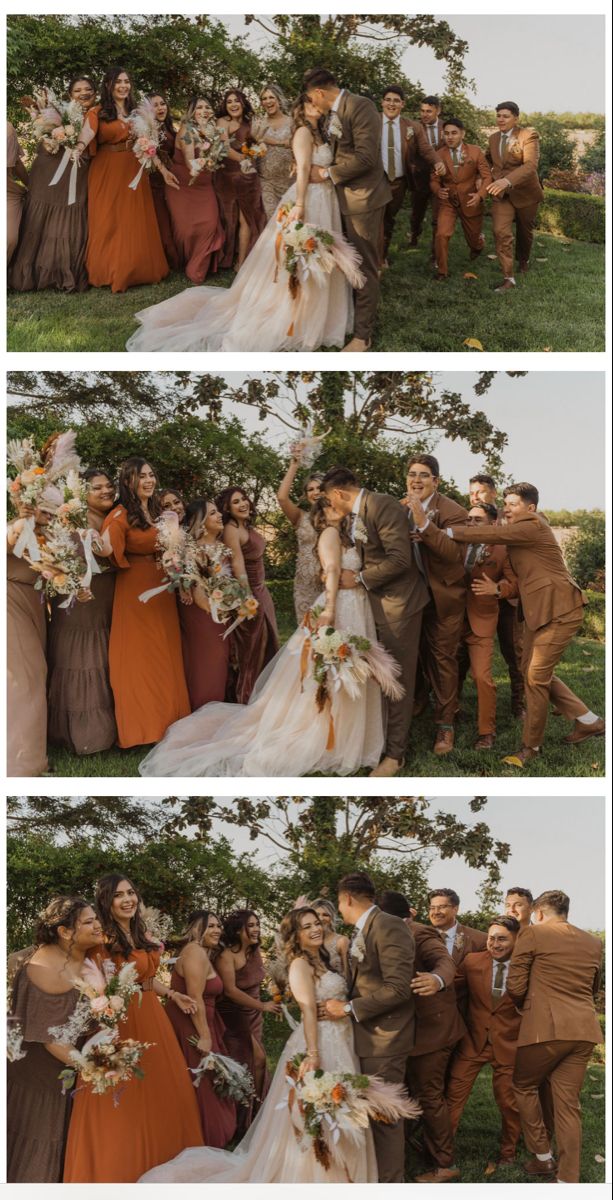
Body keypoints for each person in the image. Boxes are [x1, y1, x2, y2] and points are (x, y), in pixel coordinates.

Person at [138, 494, 386, 776]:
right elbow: (326, 571)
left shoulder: (353, 535)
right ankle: (327, 731)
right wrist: (238, 595)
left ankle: (350, 731)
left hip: (354, 606)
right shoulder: (329, 535)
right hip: (326, 604)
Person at [140, 906, 379, 1182]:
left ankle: (345, 1166)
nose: (315, 929)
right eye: (306, 926)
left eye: (317, 923)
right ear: (295, 935)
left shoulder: (325, 958)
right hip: (310, 1039)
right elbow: (308, 1011)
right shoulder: (299, 965)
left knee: (338, 1102)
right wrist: (312, 1053)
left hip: (340, 1039)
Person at [126, 94, 359, 352]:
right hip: (307, 198)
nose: (318, 108)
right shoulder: (303, 132)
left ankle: (323, 314)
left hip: (325, 199)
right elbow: (303, 170)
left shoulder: (324, 134)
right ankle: (294, 311)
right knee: (294, 252)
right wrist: (301, 204)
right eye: (311, 104)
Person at [446, 482, 606, 765]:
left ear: (530, 508)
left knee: (535, 678)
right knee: (531, 671)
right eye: (505, 504)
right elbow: (519, 583)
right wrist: (498, 590)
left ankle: (530, 748)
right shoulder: (517, 539)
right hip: (538, 612)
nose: (507, 509)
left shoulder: (533, 524)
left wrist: (446, 531)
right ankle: (589, 720)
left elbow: (491, 532)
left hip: (561, 610)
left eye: (513, 504)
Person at [63, 873, 203, 1182]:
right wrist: (106, 1027)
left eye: (131, 893)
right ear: (106, 902)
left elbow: (144, 978)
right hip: (122, 1021)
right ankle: (121, 1167)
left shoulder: (141, 933)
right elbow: (96, 986)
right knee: (124, 1096)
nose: (128, 899)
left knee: (163, 1093)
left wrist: (173, 993)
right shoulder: (104, 941)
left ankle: (164, 1164)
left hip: (154, 1016)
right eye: (119, 895)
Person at [322, 466, 429, 776]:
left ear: (339, 494)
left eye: (331, 500)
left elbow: (399, 559)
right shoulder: (361, 512)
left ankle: (396, 755)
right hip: (375, 603)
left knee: (396, 678)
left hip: (400, 605)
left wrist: (359, 578)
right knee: (385, 674)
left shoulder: (381, 505)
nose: (331, 506)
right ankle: (382, 737)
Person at [323, 873, 416, 1182]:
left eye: (339, 902)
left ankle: (391, 1182)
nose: (340, 908)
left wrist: (348, 1008)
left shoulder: (388, 925)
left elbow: (399, 989)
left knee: (385, 1116)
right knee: (371, 1113)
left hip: (385, 1039)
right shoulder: (365, 929)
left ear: (347, 899)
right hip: (365, 1036)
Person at [508, 890, 603, 1183]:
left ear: (537, 913)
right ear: (566, 912)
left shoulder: (534, 934)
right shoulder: (593, 942)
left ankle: (543, 1158)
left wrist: (525, 1006)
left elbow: (515, 982)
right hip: (584, 1030)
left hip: (544, 1029)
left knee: (523, 1086)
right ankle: (568, 1179)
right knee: (568, 1105)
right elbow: (594, 987)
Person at [7, 896, 104, 1182]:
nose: (98, 925)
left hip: (55, 1071)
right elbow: (53, 1041)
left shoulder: (70, 955)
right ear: (64, 931)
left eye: (96, 918)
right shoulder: (47, 971)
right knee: (38, 1143)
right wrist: (97, 1069)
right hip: (42, 1079)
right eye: (89, 922)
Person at [100, 457, 190, 748]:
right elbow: (108, 550)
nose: (149, 480)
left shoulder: (158, 512)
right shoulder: (121, 514)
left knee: (166, 655)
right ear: (129, 481)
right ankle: (143, 730)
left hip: (163, 589)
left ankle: (170, 724)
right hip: (135, 590)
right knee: (140, 658)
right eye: (142, 476)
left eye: (151, 475)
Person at [377, 890, 462, 1184]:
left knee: (429, 1094)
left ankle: (444, 1165)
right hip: (400, 1032)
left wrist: (436, 979)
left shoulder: (420, 932)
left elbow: (444, 961)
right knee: (402, 1092)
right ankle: (398, 1153)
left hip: (432, 1031)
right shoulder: (376, 935)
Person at [304, 68, 391, 352]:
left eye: (311, 98)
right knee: (349, 260)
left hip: (363, 198)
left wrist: (327, 174)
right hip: (342, 197)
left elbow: (366, 158)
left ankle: (362, 337)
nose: (312, 104)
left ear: (318, 93)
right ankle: (350, 316)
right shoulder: (333, 113)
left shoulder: (361, 106)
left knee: (364, 264)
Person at [73, 66, 177, 292]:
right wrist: (79, 147)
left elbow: (147, 145)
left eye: (126, 81)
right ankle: (108, 271)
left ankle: (138, 269)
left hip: (132, 169)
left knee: (133, 219)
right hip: (105, 169)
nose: (123, 86)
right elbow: (88, 132)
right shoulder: (98, 112)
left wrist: (163, 169)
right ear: (108, 85)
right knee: (108, 219)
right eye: (118, 81)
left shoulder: (137, 113)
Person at [47, 468, 118, 755]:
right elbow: (58, 559)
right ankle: (82, 734)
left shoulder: (113, 517)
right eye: (97, 488)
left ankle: (107, 728)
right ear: (83, 494)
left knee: (101, 658)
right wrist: (74, 585)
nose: (105, 491)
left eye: (108, 486)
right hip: (80, 600)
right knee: (79, 660)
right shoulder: (72, 519)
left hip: (107, 597)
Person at [403, 454, 468, 756]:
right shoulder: (397, 507)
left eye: (424, 475)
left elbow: (453, 555)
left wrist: (423, 523)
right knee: (410, 653)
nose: (417, 480)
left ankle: (445, 726)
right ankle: (417, 699)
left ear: (436, 481)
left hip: (444, 598)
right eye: (412, 474)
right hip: (409, 598)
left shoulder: (454, 511)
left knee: (443, 661)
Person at [447, 916, 523, 1171]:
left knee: (509, 1102)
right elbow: (448, 990)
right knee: (453, 1098)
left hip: (509, 1044)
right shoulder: (471, 962)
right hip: (473, 1042)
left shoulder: (527, 967)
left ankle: (508, 1152)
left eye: (502, 938)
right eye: (491, 937)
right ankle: (441, 1152)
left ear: (516, 939)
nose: (494, 943)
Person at [10, 77, 97, 292]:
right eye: (78, 90)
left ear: (95, 93)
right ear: (70, 94)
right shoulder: (58, 111)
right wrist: (49, 138)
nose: (83, 93)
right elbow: (42, 131)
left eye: (88, 89)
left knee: (68, 216)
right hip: (49, 168)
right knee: (39, 216)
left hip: (78, 171)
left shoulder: (99, 115)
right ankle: (31, 272)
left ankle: (62, 270)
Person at [167, 910, 237, 1147]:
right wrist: (205, 1038)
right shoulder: (195, 952)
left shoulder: (200, 953)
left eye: (219, 926)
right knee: (204, 1082)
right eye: (211, 926)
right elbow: (194, 997)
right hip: (193, 1025)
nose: (217, 930)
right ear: (197, 928)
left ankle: (201, 1139)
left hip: (203, 1022)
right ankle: (204, 1140)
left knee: (209, 1081)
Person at [457, 502, 519, 749]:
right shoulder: (456, 543)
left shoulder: (503, 550)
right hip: (449, 619)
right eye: (469, 520)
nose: (471, 524)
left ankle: (486, 732)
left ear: (493, 523)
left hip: (481, 621)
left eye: (477, 520)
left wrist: (496, 589)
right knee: (448, 674)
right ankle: (448, 717)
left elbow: (514, 585)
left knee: (482, 677)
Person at [216, 910, 280, 1131]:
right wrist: (263, 1005)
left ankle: (259, 1114)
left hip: (254, 1013)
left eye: (257, 925)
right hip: (234, 1014)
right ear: (237, 930)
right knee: (257, 1060)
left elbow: (260, 978)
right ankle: (245, 1121)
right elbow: (231, 991)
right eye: (250, 926)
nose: (256, 929)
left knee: (254, 1065)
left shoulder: (255, 951)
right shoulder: (227, 955)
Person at [468, 473, 524, 716]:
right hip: (477, 600)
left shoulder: (509, 519)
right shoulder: (471, 520)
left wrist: (501, 587)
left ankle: (519, 702)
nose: (474, 496)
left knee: (514, 652)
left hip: (507, 601)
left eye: (479, 492)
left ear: (492, 492)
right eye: (471, 492)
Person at [216, 486, 279, 703]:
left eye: (244, 499)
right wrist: (246, 597)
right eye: (236, 502)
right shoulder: (232, 529)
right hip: (251, 595)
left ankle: (266, 696)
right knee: (253, 651)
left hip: (262, 591)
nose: (243, 504)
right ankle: (248, 698)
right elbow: (237, 563)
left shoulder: (245, 525)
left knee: (268, 643)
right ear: (227, 508)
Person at [7, 503, 50, 775]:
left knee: (35, 673)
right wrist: (23, 521)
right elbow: (11, 536)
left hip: (33, 604)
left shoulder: (48, 534)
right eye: (44, 507)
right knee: (24, 677)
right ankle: (20, 762)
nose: (48, 513)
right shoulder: (16, 527)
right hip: (10, 603)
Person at [378, 85, 442, 266]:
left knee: (389, 219)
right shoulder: (371, 121)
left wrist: (438, 162)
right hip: (375, 181)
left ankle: (382, 255)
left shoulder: (412, 127)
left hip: (398, 182)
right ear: (382, 102)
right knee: (374, 219)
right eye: (388, 100)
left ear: (402, 104)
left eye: (396, 101)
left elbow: (426, 149)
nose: (392, 104)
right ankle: (372, 257)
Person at [486, 101, 544, 293]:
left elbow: (530, 166)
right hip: (501, 196)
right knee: (500, 232)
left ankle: (524, 260)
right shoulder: (493, 138)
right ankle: (509, 278)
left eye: (506, 116)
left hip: (526, 193)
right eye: (498, 115)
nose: (500, 119)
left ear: (516, 118)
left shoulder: (528, 135)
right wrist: (481, 178)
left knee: (524, 232)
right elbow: (486, 161)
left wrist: (507, 181)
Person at [165, 96, 225, 283]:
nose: (204, 110)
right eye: (199, 107)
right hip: (183, 185)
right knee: (186, 229)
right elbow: (191, 161)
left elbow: (217, 159)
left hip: (205, 185)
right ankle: (185, 261)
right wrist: (200, 162)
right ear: (192, 111)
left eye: (207, 107)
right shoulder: (186, 130)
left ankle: (198, 266)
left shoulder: (213, 131)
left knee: (209, 223)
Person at [178, 498, 231, 709]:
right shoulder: (193, 550)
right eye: (212, 513)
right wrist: (215, 610)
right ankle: (202, 710)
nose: (219, 516)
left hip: (221, 613)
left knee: (220, 660)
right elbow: (196, 589)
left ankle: (216, 708)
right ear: (200, 521)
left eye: (218, 511)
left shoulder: (222, 547)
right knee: (205, 661)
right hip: (203, 614)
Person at [429, 117, 492, 281]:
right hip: (448, 202)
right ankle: (442, 271)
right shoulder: (438, 154)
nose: (450, 137)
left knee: (473, 241)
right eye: (447, 133)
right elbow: (433, 179)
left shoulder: (475, 151)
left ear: (462, 134)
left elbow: (487, 177)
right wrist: (437, 190)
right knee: (441, 234)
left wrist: (480, 195)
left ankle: (478, 245)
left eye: (454, 133)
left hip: (471, 201)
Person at [214, 88, 266, 269]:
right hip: (226, 177)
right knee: (228, 218)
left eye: (236, 101)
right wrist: (245, 158)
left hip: (246, 178)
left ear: (243, 103)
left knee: (246, 219)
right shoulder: (222, 122)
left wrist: (255, 154)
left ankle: (241, 261)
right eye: (229, 102)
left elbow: (259, 145)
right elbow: (224, 149)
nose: (233, 104)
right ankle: (224, 258)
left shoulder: (251, 123)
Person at [276, 456, 323, 620]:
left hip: (333, 583)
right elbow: (282, 498)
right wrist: (294, 464)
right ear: (305, 494)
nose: (315, 492)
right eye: (310, 489)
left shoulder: (340, 518)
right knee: (309, 636)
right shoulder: (299, 517)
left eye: (319, 488)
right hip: (305, 587)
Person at [147, 91, 180, 271]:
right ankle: (169, 259)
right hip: (156, 182)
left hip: (171, 180)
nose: (160, 108)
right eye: (155, 105)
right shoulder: (149, 130)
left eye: (162, 103)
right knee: (163, 221)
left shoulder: (169, 128)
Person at [407, 95, 444, 251]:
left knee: (438, 214)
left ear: (438, 111)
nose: (424, 114)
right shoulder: (414, 127)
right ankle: (414, 235)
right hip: (420, 176)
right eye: (422, 111)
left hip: (440, 177)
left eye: (429, 111)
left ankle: (435, 250)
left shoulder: (446, 127)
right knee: (417, 212)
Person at [252, 83, 293, 218]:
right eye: (264, 98)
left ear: (279, 100)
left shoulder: (293, 122)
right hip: (266, 182)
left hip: (290, 181)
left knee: (291, 222)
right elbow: (251, 150)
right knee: (273, 220)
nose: (268, 101)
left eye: (271, 97)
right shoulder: (258, 124)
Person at [427, 889, 487, 962]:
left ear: (455, 909)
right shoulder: (419, 936)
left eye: (442, 907)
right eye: (432, 908)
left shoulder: (479, 940)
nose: (436, 912)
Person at [7, 121, 28, 262]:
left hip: (7, 191)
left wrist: (31, 184)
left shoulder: (7, 129)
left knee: (9, 238)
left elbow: (16, 163)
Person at [312, 898, 349, 975]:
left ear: (331, 917)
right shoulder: (308, 942)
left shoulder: (341, 941)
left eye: (325, 915)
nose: (321, 918)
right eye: (317, 915)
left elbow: (348, 973)